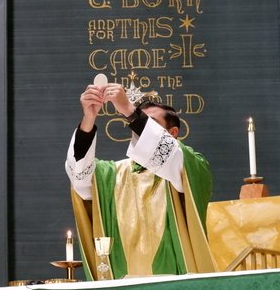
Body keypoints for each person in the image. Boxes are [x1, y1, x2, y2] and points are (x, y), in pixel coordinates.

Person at [65, 82, 215, 279]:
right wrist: (88, 118)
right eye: (136, 121)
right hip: (123, 283)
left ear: (172, 133)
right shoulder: (112, 174)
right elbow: (80, 177)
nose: (137, 125)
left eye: (149, 122)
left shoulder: (188, 165)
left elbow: (171, 153)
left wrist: (128, 110)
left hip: (174, 282)